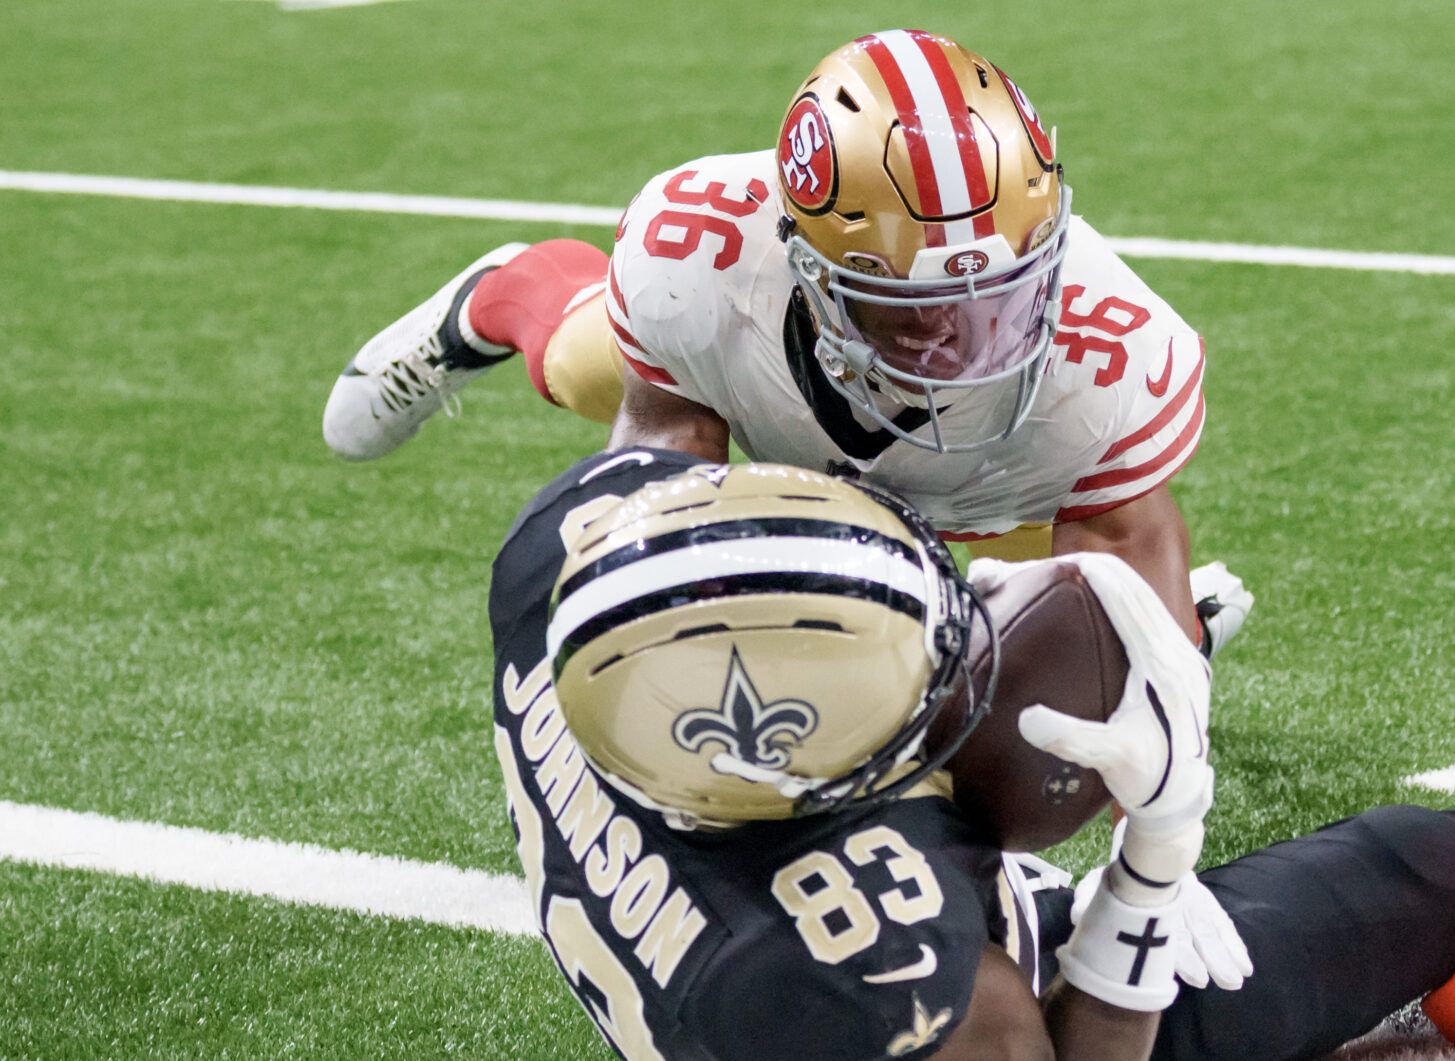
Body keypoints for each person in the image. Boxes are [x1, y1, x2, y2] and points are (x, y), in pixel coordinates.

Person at [487, 436, 1455, 1061]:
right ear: (807, 774)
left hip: (732, 938)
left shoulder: (578, 560)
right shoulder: (851, 951)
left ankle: (1125, 670)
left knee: (1034, 670)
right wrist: (1152, 862)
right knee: (1445, 862)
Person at [327, 30, 1252, 656]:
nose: (962, 340)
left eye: (995, 294)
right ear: (806, 262)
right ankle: (501, 293)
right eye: (913, 304)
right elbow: (661, 517)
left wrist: (1148, 646)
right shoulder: (706, 265)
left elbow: (1150, 711)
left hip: (1010, 476)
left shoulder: (1107, 361)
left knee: (1049, 653)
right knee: (577, 364)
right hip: (763, 398)